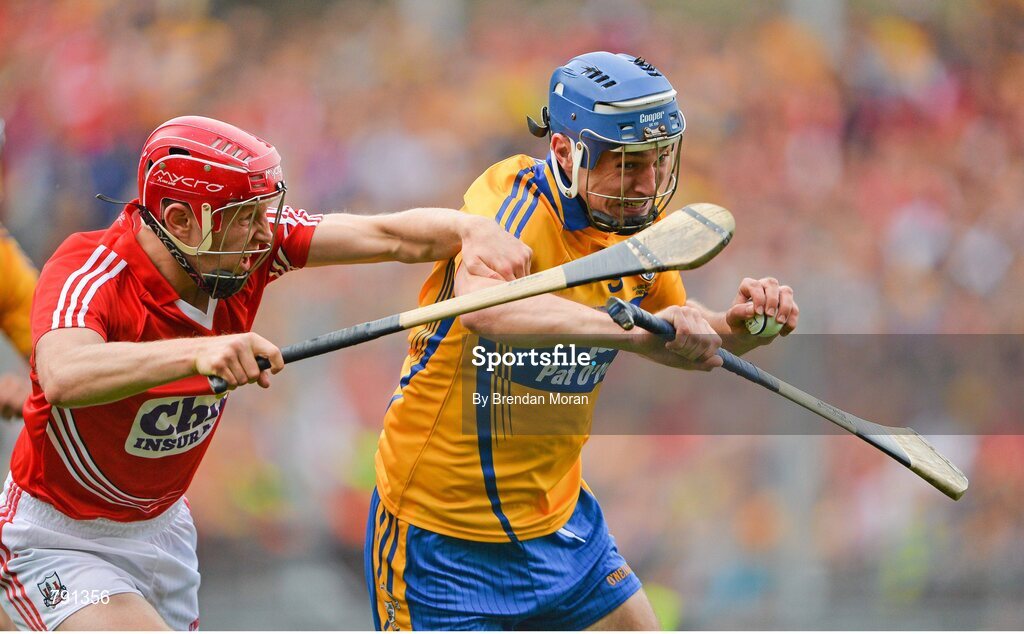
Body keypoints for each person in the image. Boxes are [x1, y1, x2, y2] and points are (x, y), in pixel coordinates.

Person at [0, 115, 531, 631]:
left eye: (263, 213)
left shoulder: (245, 253)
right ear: (182, 219)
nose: (263, 234)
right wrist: (196, 354)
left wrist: (471, 229)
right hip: (61, 538)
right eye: (244, 218)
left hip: (163, 531)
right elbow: (64, 372)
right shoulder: (89, 271)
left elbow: (393, 237)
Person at [366, 52, 799, 630]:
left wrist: (742, 327)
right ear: (567, 152)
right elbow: (486, 313)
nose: (645, 186)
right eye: (625, 163)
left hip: (562, 525)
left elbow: (676, 335)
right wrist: (629, 330)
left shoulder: (639, 232)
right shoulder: (510, 199)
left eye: (656, 161)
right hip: (442, 542)